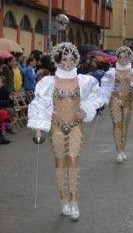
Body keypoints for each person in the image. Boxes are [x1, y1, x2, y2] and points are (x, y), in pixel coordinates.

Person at [28, 42, 103, 221]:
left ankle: (75, 202)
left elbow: (95, 97)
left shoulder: (84, 81)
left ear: (76, 60)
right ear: (57, 60)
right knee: (61, 163)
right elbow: (40, 105)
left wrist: (84, 109)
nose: (68, 63)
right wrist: (38, 128)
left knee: (74, 162)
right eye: (64, 59)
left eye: (71, 59)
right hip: (57, 126)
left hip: (76, 125)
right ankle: (64, 201)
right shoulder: (48, 82)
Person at [100, 46, 133, 164]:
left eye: (127, 57)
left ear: (130, 58)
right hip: (115, 100)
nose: (124, 59)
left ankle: (123, 149)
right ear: (117, 58)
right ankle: (118, 152)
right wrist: (104, 98)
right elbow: (105, 87)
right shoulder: (112, 72)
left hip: (128, 100)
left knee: (125, 126)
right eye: (121, 57)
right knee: (116, 124)